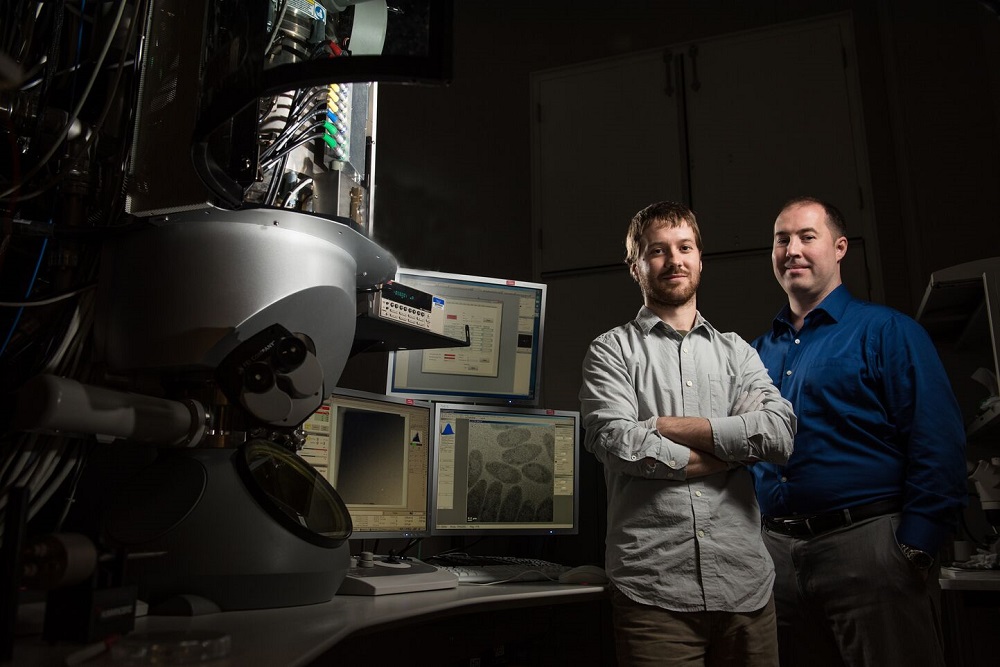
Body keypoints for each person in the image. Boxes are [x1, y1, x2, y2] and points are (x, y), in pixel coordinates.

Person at [750, 196, 968, 667]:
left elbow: (938, 442)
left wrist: (915, 549)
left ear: (840, 247)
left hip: (871, 551)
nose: (793, 249)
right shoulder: (753, 354)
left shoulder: (887, 331)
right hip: (776, 564)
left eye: (808, 237)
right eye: (781, 239)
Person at [580, 200, 796, 666]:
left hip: (746, 592)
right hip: (653, 590)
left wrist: (664, 426)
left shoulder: (738, 353)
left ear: (700, 258)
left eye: (684, 247)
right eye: (657, 251)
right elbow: (616, 442)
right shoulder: (611, 351)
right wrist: (731, 452)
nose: (674, 260)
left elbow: (778, 435)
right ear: (635, 265)